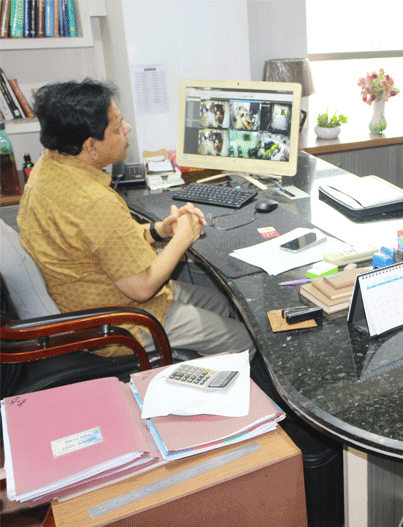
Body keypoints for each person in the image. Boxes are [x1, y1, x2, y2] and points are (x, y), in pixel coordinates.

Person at [17, 79, 255, 360]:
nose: (127, 128)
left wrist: (159, 230)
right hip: (119, 323)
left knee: (220, 302)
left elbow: (103, 241)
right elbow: (142, 289)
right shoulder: (93, 201)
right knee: (243, 341)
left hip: (101, 296)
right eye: (117, 128)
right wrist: (182, 238)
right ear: (91, 147)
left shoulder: (48, 166)